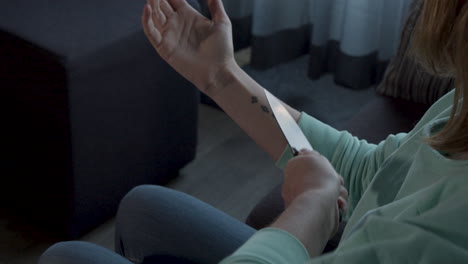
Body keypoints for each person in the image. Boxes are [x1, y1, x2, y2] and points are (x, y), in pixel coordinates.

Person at [39, 0, 468, 263]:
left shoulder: (450, 227)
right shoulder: (459, 104)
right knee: (143, 207)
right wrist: (222, 78)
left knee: (67, 258)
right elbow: (368, 170)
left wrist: (311, 210)